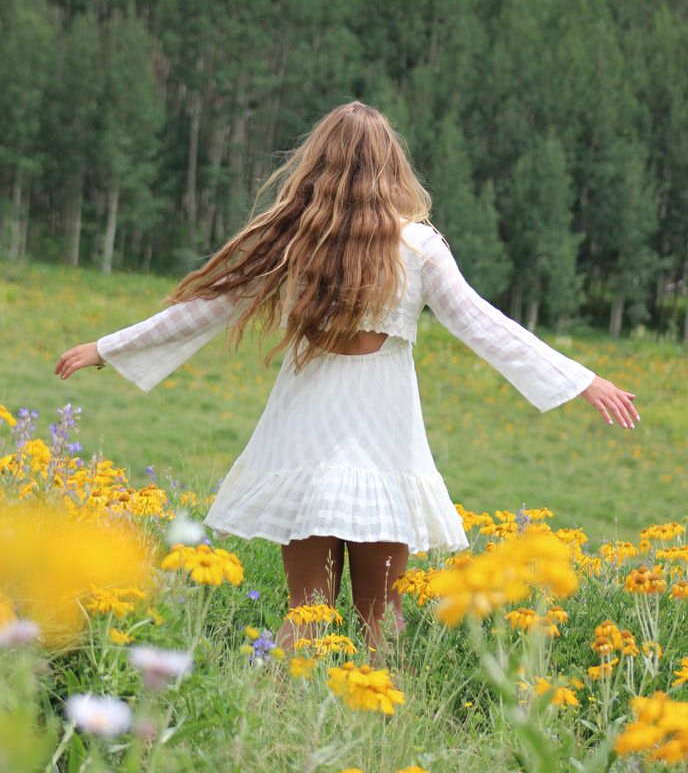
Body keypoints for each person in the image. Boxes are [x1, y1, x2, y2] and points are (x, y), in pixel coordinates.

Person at [55, 102, 640, 662]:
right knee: (381, 617)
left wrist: (106, 347)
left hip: (305, 437)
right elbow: (485, 325)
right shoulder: (419, 247)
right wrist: (582, 379)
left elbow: (207, 308)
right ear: (392, 167)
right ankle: (377, 730)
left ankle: (285, 725)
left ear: (318, 165)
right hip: (385, 443)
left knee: (307, 612)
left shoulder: (293, 238)